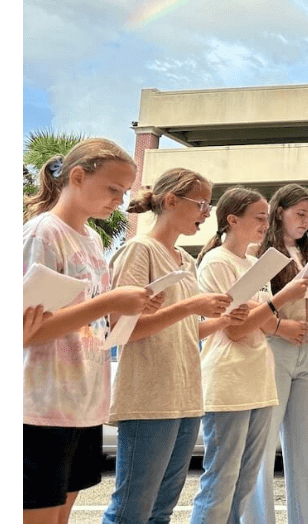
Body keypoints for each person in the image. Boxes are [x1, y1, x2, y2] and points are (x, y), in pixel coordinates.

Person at [23, 139, 162, 524]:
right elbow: (24, 331)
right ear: (78, 177)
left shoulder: (92, 238)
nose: (119, 200)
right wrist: (109, 302)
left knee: (60, 515)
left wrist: (122, 307)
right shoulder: (43, 234)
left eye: (125, 192)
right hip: (41, 405)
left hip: (82, 403)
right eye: (113, 189)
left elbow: (91, 318)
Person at [104, 168, 239, 525]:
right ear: (170, 201)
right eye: (201, 204)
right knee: (132, 509)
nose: (206, 214)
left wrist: (223, 319)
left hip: (185, 396)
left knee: (161, 510)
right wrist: (190, 307)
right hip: (149, 397)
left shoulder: (186, 260)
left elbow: (184, 331)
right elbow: (122, 329)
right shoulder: (139, 249)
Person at [190, 188, 308, 524]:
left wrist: (267, 313)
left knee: (244, 483)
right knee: (220, 482)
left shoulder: (255, 263)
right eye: (259, 217)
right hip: (228, 380)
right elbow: (235, 329)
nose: (265, 223)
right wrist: (279, 299)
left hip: (259, 376)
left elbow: (264, 323)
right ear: (232, 219)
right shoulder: (216, 261)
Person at [247, 184, 308, 525]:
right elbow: (250, 305)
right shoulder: (259, 250)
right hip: (274, 347)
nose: (305, 221)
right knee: (261, 444)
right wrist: (277, 327)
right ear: (278, 211)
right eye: (299, 214)